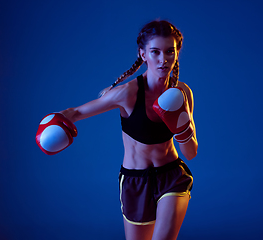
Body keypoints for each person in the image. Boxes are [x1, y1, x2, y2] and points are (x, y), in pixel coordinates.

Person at [38, 20, 198, 240]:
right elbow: (76, 112)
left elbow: (190, 152)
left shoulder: (182, 93)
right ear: (143, 55)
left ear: (177, 53)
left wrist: (182, 128)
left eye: (170, 52)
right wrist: (52, 123)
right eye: (155, 52)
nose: (163, 60)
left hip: (171, 176)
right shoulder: (128, 93)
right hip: (135, 181)